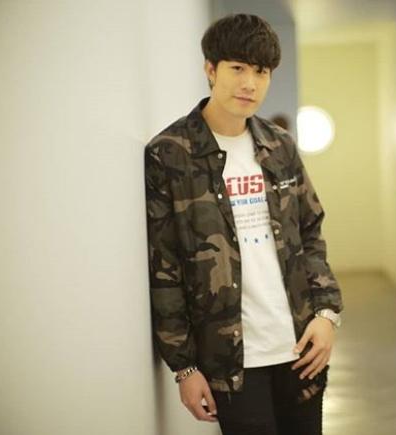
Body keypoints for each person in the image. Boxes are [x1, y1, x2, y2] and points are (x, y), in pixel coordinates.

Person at [143, 13, 343, 435]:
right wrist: (184, 367)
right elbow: (165, 267)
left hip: (300, 348)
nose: (250, 83)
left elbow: (311, 231)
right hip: (230, 362)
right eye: (237, 68)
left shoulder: (279, 146)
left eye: (261, 71)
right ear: (210, 69)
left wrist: (327, 315)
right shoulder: (170, 154)